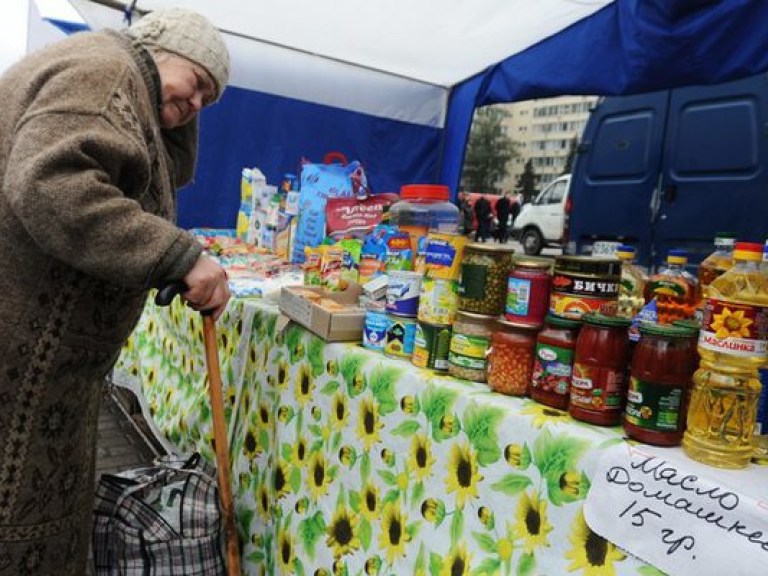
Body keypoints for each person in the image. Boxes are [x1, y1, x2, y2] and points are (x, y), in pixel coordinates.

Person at [0, 9, 231, 574]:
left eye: (209, 99)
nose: (197, 103)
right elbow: (52, 184)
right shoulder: (106, 73)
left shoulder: (107, 71)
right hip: (19, 353)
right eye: (197, 82)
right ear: (162, 48)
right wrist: (178, 255)